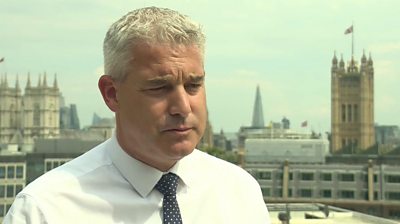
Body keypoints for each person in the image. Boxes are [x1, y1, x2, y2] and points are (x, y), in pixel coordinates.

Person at [4, 7, 271, 224]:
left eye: (193, 85)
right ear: (111, 93)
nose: (183, 107)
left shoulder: (239, 192)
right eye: (159, 87)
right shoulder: (45, 210)